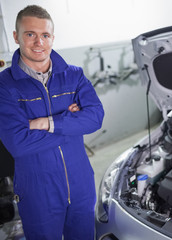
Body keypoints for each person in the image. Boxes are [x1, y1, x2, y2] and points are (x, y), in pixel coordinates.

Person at [0, 5, 104, 239]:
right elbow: (18, 143)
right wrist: (74, 123)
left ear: (52, 38)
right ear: (16, 37)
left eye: (45, 35)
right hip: (37, 190)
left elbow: (95, 117)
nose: (39, 42)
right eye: (30, 34)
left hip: (81, 183)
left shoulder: (74, 75)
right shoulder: (5, 85)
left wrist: (45, 123)